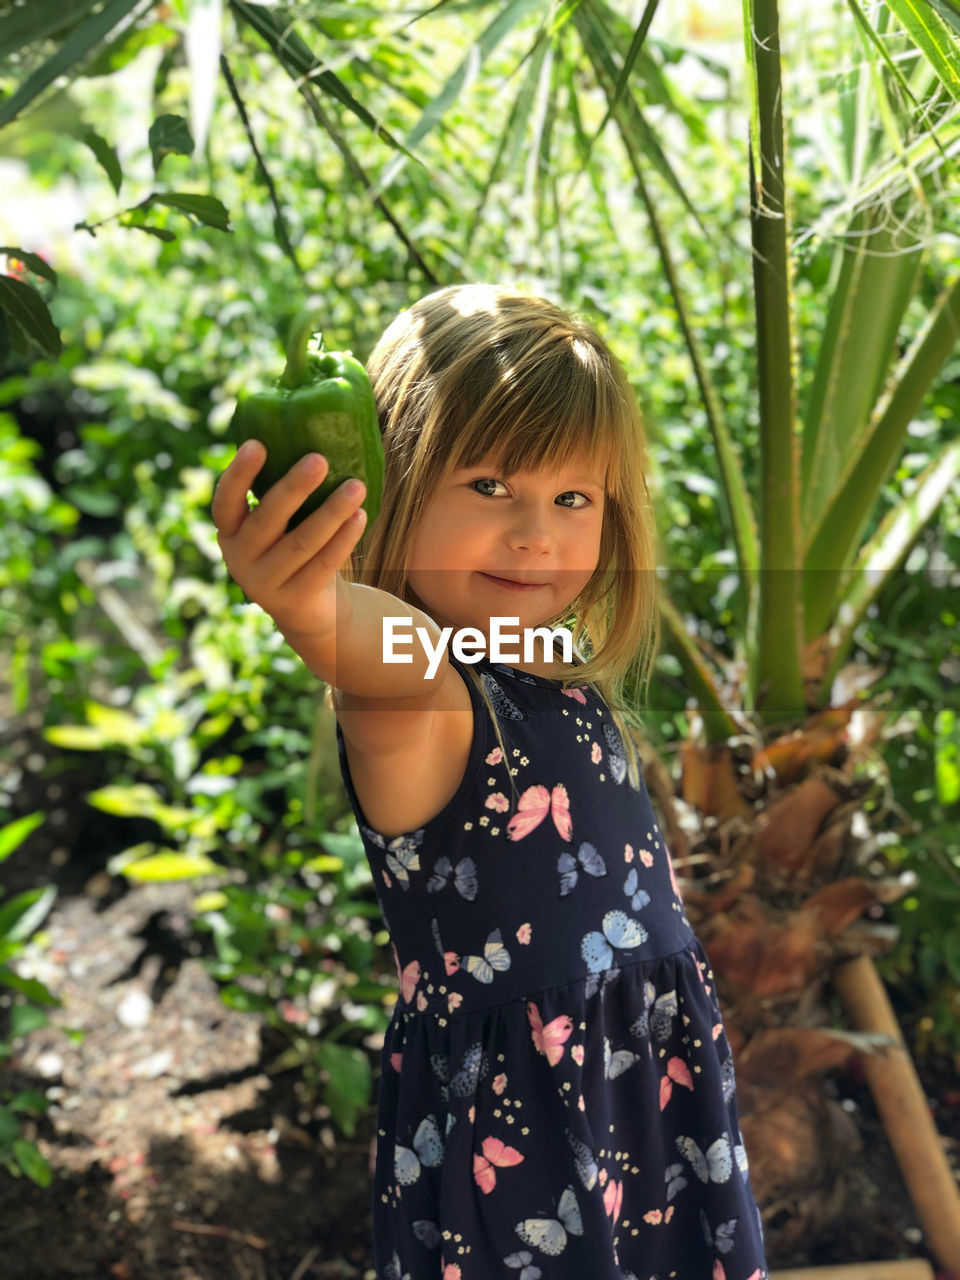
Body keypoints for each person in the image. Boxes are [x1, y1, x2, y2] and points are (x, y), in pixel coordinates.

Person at [213, 284, 770, 1280]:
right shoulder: (425, 686)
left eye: (572, 498)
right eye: (489, 486)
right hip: (527, 1147)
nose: (536, 534)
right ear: (390, 488)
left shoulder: (542, 666)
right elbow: (367, 645)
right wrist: (305, 598)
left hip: (639, 1102)